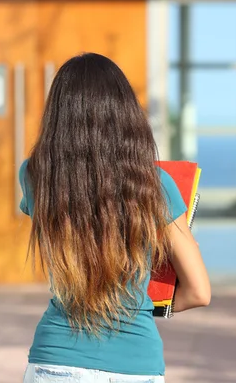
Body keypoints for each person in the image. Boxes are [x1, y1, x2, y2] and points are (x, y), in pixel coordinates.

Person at [19, 53, 211, 383]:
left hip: (55, 360)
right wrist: (139, 311)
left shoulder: (36, 175)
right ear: (124, 114)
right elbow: (199, 292)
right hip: (136, 364)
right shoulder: (155, 186)